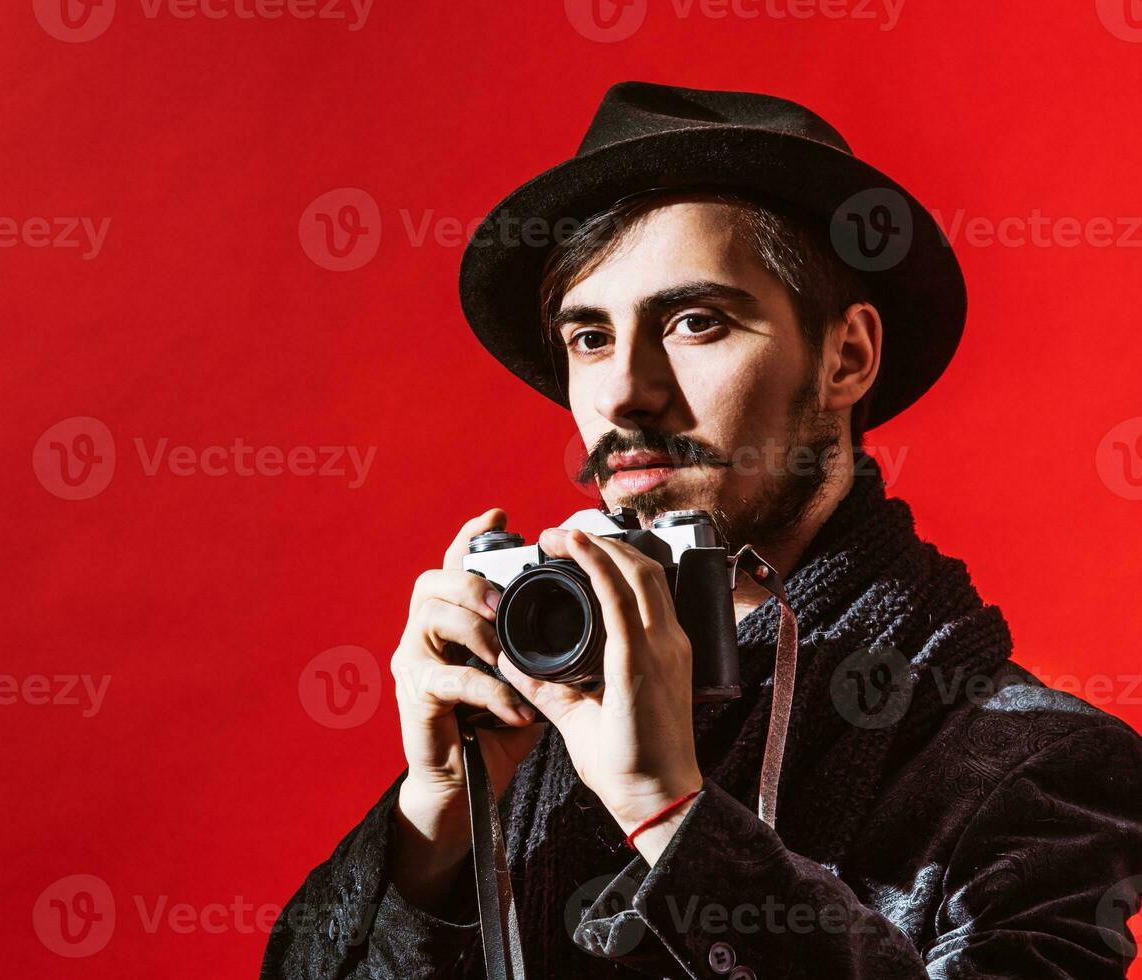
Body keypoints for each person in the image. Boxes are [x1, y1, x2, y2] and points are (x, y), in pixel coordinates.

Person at [261, 82, 1142, 978]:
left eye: (695, 321)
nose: (624, 392)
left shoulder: (1037, 767)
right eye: (590, 337)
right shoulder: (539, 690)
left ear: (847, 357)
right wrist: (438, 826)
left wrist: (669, 811)